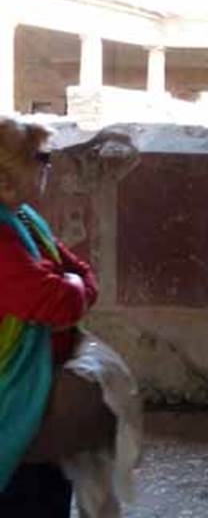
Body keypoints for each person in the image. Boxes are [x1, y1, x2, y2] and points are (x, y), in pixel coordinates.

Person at [0, 118, 115, 516]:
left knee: (49, 481)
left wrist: (73, 286)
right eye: (38, 159)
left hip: (35, 393)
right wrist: (73, 288)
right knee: (25, 492)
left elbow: (80, 273)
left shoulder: (24, 219)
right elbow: (59, 300)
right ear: (6, 179)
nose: (47, 167)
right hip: (11, 400)